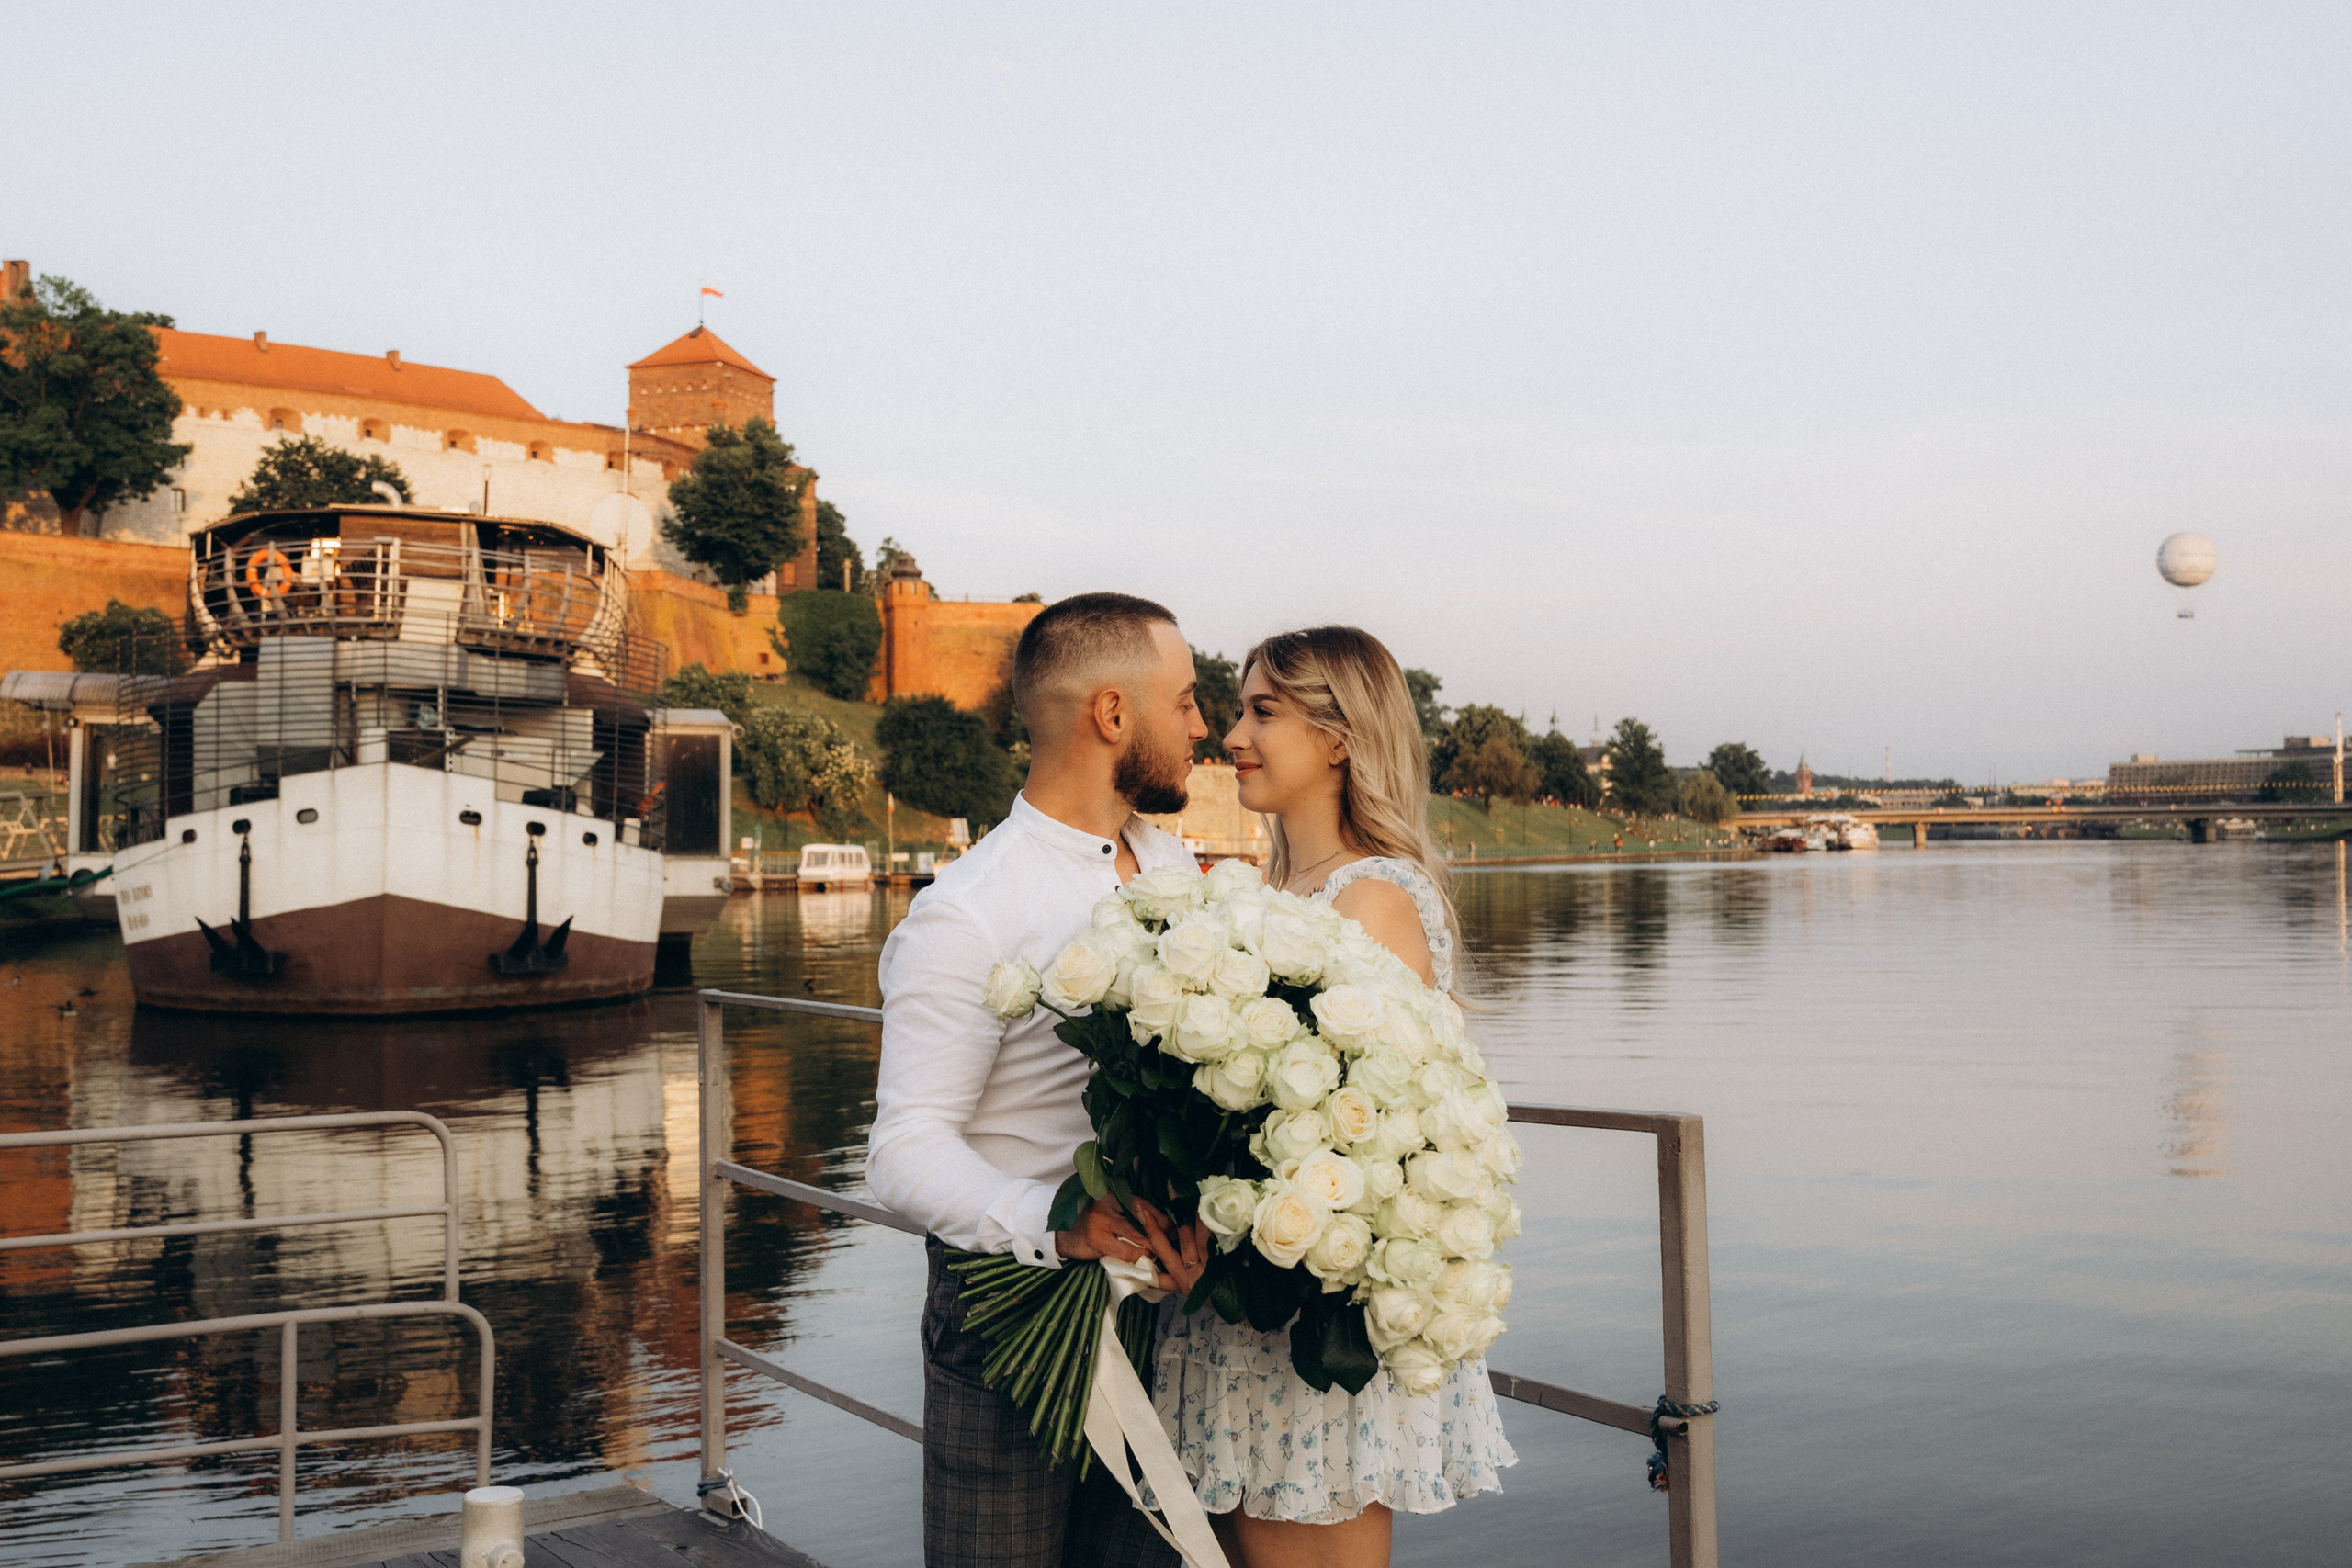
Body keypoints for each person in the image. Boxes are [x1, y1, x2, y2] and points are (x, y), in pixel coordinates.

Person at [1149, 626, 1516, 1568]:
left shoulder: (1372, 900)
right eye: (1236, 710)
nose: (1233, 736)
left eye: (1261, 712)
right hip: (1235, 1310)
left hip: (1302, 1325)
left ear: (1341, 738)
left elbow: (1386, 1145)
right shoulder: (1276, 891)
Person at [868, 592, 1211, 1568]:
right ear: (1112, 714)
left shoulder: (1175, 869)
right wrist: (1052, 1223)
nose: (1200, 726)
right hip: (1011, 1317)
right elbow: (902, 1150)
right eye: (1183, 701)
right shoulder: (968, 911)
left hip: (1160, 1308)